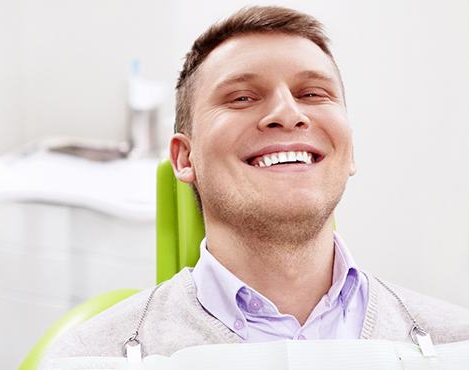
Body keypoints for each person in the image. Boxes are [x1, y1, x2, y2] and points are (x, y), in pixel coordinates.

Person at [41, 5, 469, 364]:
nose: (288, 113)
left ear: (350, 149)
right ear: (184, 158)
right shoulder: (92, 357)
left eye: (314, 93)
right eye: (242, 97)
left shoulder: (457, 343)